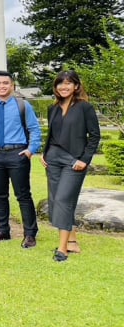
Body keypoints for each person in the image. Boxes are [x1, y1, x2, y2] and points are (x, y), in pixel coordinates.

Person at [0, 70, 42, 248]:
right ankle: (3, 230)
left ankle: (30, 234)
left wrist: (30, 150)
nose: (2, 86)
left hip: (17, 154)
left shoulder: (22, 105)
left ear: (12, 85)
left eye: (6, 83)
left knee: (23, 195)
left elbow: (34, 128)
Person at [40, 70, 100, 262]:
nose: (63, 87)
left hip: (74, 160)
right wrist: (44, 152)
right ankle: (72, 239)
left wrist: (85, 159)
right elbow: (52, 134)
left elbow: (94, 136)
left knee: (63, 200)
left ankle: (62, 247)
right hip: (53, 159)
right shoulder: (53, 108)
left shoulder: (85, 108)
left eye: (68, 83)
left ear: (76, 86)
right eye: (60, 83)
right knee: (57, 199)